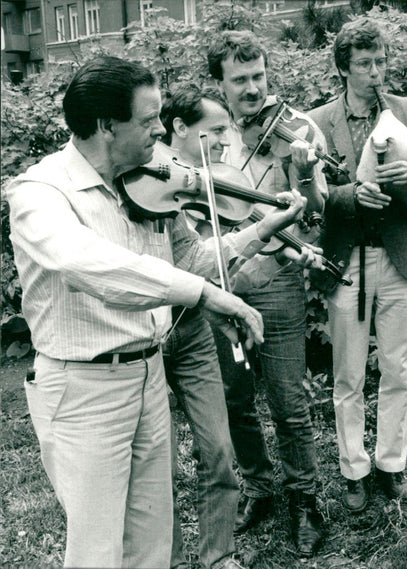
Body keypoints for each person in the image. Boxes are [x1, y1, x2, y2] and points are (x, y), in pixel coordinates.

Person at [6, 56, 308, 569]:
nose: (159, 132)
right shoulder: (41, 194)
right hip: (85, 390)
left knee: (151, 542)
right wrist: (204, 295)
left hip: (147, 375)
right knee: (99, 550)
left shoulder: (145, 185)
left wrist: (261, 230)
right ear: (107, 125)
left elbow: (190, 261)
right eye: (148, 121)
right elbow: (91, 266)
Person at [306, 17, 407, 513]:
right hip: (346, 261)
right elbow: (309, 197)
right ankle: (353, 469)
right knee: (347, 375)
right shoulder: (317, 122)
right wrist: (347, 194)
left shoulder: (406, 111)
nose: (375, 72)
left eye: (381, 62)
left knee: (397, 368)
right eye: (364, 64)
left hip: (399, 257)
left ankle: (392, 464)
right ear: (343, 68)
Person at [206, 29, 327, 557]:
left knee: (287, 397)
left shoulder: (297, 129)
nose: (253, 89)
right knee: (235, 398)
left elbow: (316, 209)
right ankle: (258, 487)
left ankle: (304, 498)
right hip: (224, 275)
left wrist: (305, 177)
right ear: (221, 83)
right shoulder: (206, 131)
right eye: (240, 80)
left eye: (259, 76)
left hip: (276, 274)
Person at [158, 83, 251, 569]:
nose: (221, 142)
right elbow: (188, 263)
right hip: (149, 335)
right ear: (178, 128)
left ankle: (218, 556)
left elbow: (196, 259)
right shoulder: (139, 177)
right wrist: (265, 228)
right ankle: (168, 558)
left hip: (191, 328)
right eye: (214, 131)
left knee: (217, 448)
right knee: (159, 465)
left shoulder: (193, 181)